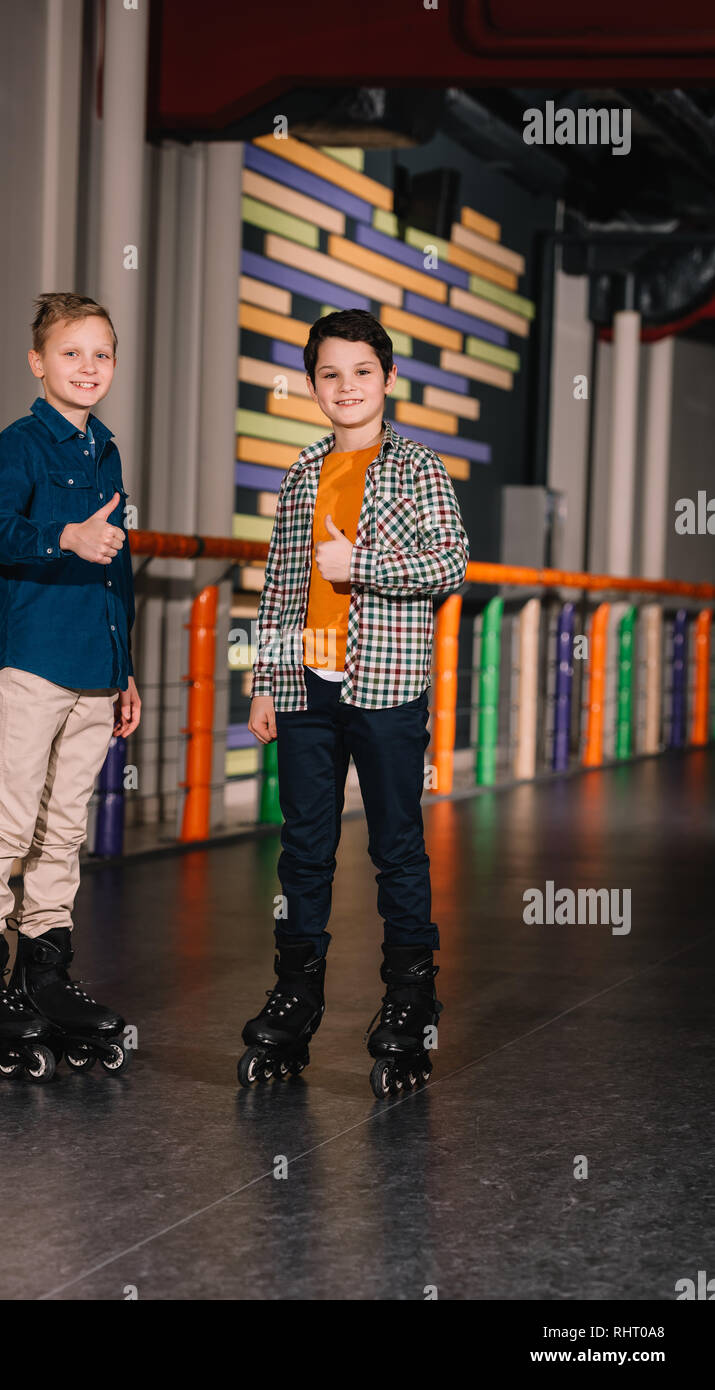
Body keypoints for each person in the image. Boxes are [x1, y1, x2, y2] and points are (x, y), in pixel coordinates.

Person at [239, 308, 469, 1096]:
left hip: (386, 684)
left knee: (395, 847)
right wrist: (265, 681)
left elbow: (450, 564)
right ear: (311, 385)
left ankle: (409, 1003)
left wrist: (359, 561)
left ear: (388, 380)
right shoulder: (301, 471)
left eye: (361, 372)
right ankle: (295, 998)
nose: (345, 387)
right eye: (329, 374)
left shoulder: (418, 469)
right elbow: (277, 589)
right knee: (302, 849)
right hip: (304, 682)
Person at [0, 292, 140, 1082]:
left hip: (94, 669)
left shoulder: (106, 451)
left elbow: (117, 565)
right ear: (37, 362)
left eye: (102, 354)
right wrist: (64, 537)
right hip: (35, 663)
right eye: (73, 353)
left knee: (62, 829)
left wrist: (126, 671)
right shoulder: (21, 441)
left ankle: (43, 973)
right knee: (9, 819)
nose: (89, 367)